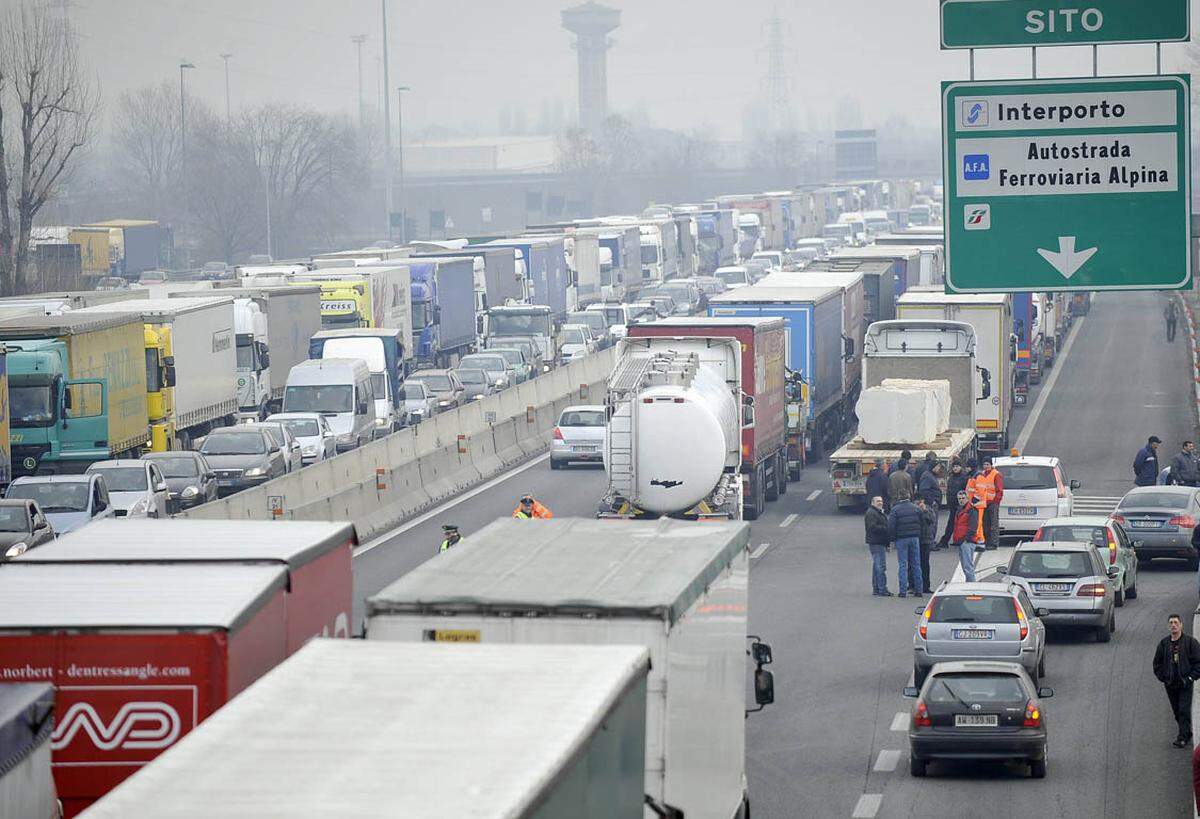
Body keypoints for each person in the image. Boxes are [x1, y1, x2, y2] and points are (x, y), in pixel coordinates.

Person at [1153, 614, 1200, 747]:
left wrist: (1190, 678)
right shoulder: (1164, 644)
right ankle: (1187, 732)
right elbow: (1157, 663)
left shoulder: (1190, 643)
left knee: (1183, 710)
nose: (1173, 625)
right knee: (1176, 710)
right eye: (1171, 623)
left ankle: (1182, 737)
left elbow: (1198, 663)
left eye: (1175, 622)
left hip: (1185, 683)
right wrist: (1164, 677)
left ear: (1181, 625)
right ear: (1168, 626)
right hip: (1170, 684)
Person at [887, 492, 924, 599]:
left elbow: (891, 526)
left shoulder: (895, 509)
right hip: (914, 538)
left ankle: (902, 591)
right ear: (908, 497)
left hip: (901, 539)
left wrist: (892, 539)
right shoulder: (916, 508)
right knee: (916, 564)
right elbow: (921, 522)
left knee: (903, 565)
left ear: (899, 498)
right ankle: (919, 590)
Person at [949, 490, 983, 582]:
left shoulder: (971, 510)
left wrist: (966, 539)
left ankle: (971, 585)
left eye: (963, 498)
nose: (961, 500)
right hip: (961, 541)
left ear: (967, 499)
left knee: (968, 566)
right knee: (965, 566)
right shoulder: (960, 509)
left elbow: (973, 526)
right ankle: (969, 583)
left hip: (967, 541)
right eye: (959, 498)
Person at [971, 458, 1003, 549]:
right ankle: (987, 541)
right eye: (984, 464)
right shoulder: (982, 474)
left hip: (993, 503)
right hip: (984, 503)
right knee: (985, 524)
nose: (986, 466)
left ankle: (994, 543)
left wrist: (995, 502)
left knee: (994, 524)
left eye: (987, 464)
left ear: (991, 465)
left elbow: (999, 490)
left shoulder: (996, 475)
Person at [938, 460, 970, 550]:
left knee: (954, 523)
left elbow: (965, 492)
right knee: (952, 523)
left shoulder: (964, 478)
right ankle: (954, 540)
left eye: (957, 466)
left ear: (961, 467)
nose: (955, 468)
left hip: (960, 505)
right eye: (954, 466)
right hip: (952, 504)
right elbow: (949, 490)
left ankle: (945, 541)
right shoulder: (951, 477)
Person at [864, 495, 892, 597]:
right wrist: (885, 528)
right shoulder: (872, 513)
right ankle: (882, 589)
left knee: (877, 566)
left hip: (879, 542)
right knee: (881, 567)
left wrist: (887, 543)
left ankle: (876, 588)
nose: (880, 503)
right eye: (877, 501)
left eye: (881, 501)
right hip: (876, 543)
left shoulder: (877, 512)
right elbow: (872, 527)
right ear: (872, 503)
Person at [914, 497, 936, 595]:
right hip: (915, 539)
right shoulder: (912, 509)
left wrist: (925, 511)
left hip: (926, 540)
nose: (920, 503)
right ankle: (913, 585)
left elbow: (932, 520)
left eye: (921, 501)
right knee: (913, 564)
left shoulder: (928, 509)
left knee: (925, 564)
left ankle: (926, 586)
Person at [918, 463, 944, 547]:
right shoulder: (927, 476)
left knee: (932, 523)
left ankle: (931, 541)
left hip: (932, 503)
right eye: (938, 467)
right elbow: (924, 490)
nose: (939, 469)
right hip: (930, 504)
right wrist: (932, 501)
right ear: (933, 467)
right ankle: (930, 543)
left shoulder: (930, 475)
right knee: (931, 523)